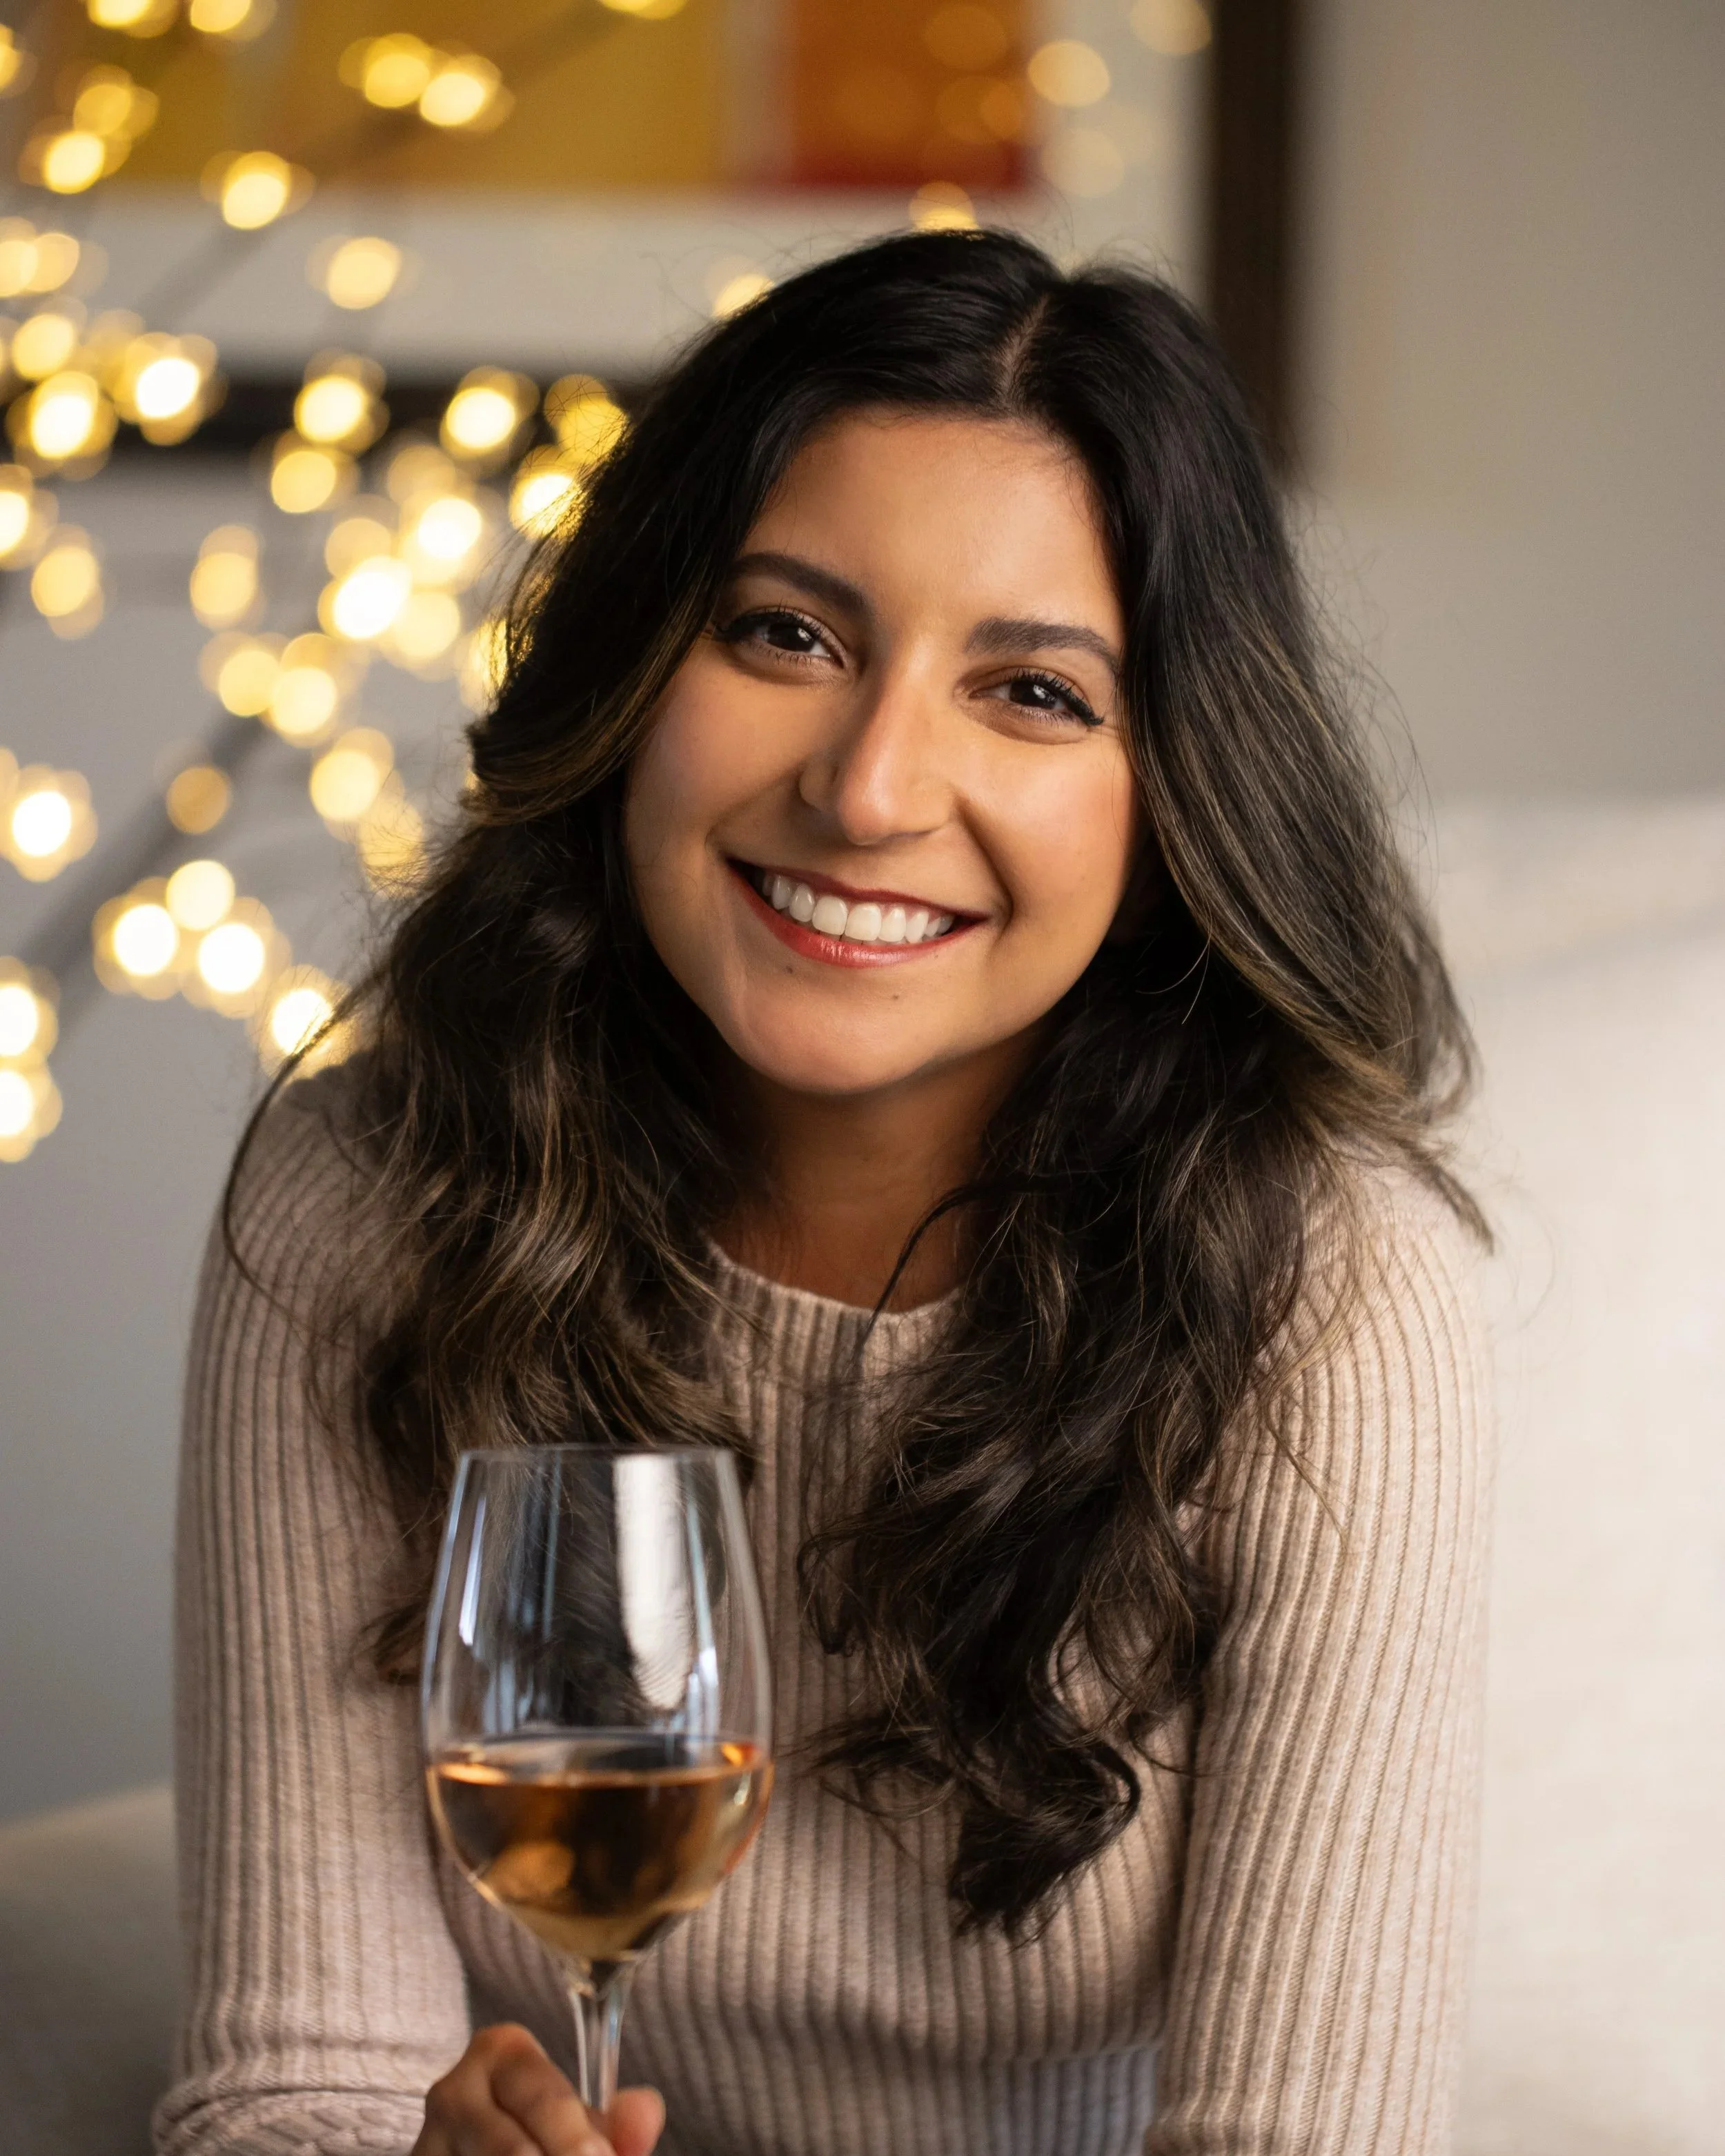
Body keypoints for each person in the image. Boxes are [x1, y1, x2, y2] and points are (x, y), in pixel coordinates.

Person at [155, 229, 1493, 2156]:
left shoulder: (1325, 1297)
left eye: (1029, 691)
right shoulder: (369, 1191)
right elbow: (297, 2082)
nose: (868, 786)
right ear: (634, 668)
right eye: (785, 633)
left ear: (1176, 785)